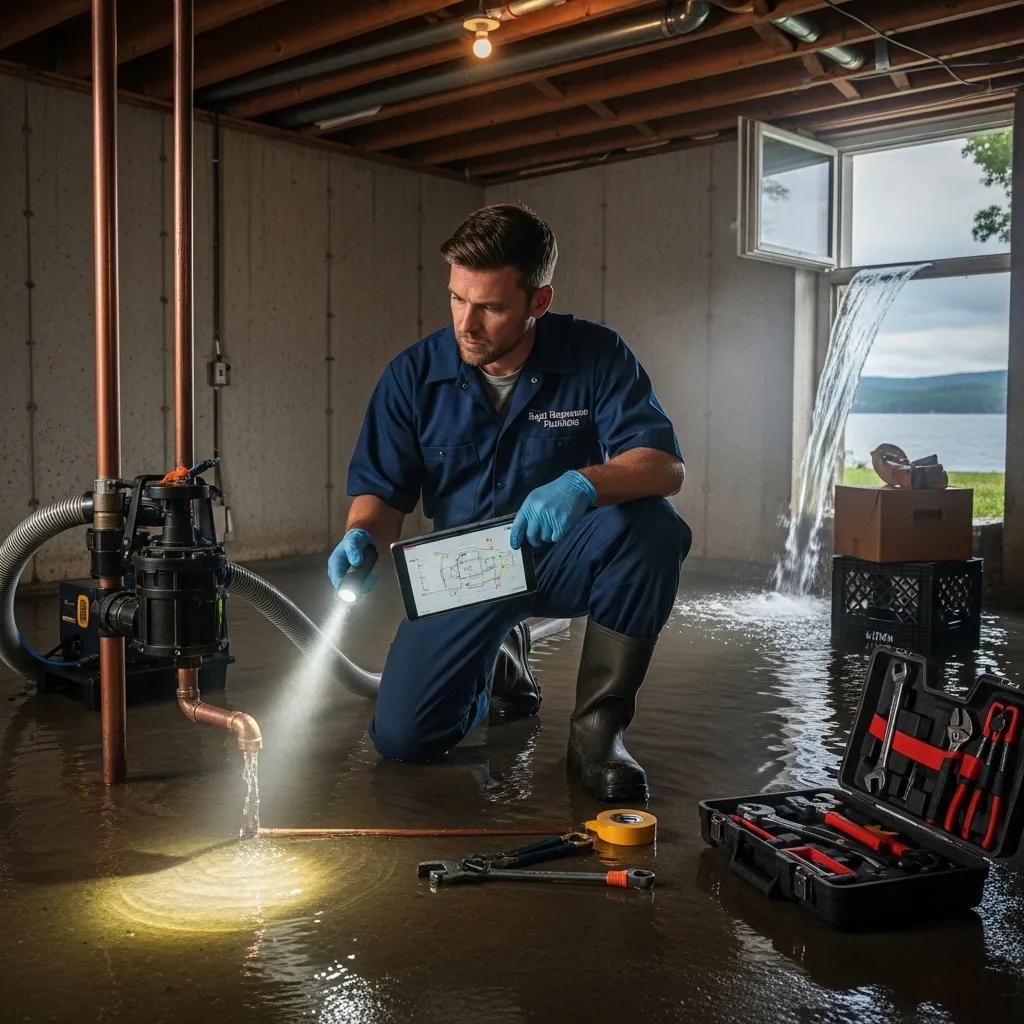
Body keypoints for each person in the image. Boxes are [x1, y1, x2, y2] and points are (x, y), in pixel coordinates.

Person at [328, 204, 691, 802]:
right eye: (456, 299)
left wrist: (583, 483)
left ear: (537, 303)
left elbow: (664, 466)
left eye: (490, 307)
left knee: (654, 528)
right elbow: (383, 492)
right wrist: (363, 534)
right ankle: (496, 659)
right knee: (404, 739)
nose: (466, 324)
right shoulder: (412, 377)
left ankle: (598, 737)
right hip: (466, 568)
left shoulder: (596, 354)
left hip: (561, 553)